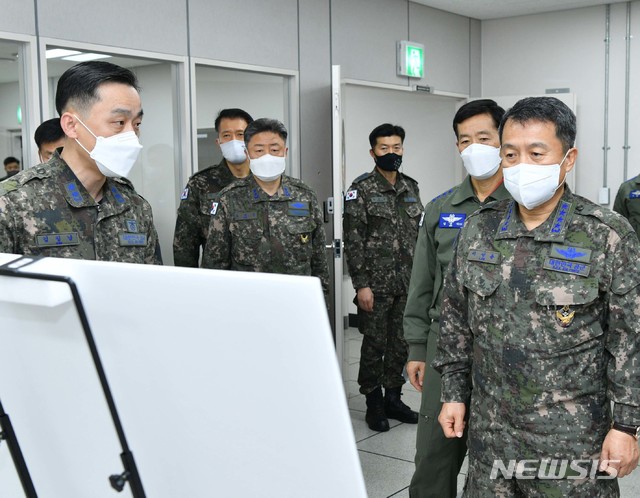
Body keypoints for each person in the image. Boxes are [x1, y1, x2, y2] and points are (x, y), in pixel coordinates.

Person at [434, 96, 640, 496]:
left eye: (536, 152)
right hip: (491, 432)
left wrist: (627, 426)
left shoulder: (606, 235)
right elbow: (456, 320)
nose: (521, 164)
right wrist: (454, 396)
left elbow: (631, 338)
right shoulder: (478, 229)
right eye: (510, 153)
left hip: (570, 441)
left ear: (569, 158)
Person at [404, 99, 510, 497]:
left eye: (484, 137)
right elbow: (423, 283)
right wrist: (417, 347)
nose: (474, 147)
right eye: (465, 140)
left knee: (500, 459)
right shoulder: (440, 209)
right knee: (435, 453)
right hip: (445, 345)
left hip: (507, 348)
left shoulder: (526, 205)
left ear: (504, 140)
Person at [0, 61, 162, 264]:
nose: (132, 135)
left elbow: (150, 286)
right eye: (119, 122)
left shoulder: (134, 206)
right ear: (71, 125)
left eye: (137, 124)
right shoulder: (12, 204)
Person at [343, 123, 423, 432]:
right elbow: (353, 240)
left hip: (407, 284)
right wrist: (361, 284)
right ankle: (373, 402)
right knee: (374, 344)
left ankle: (394, 397)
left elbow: (419, 237)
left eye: (397, 148)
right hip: (375, 286)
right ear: (373, 152)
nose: (392, 153)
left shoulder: (411, 187)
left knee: (401, 344)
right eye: (385, 148)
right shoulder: (360, 189)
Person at [201, 118, 330, 301]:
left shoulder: (305, 196)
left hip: (296, 301)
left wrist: (322, 303)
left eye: (275, 149)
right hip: (247, 303)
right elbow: (215, 263)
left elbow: (319, 261)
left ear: (285, 152)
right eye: (259, 150)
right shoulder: (229, 199)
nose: (267, 156)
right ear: (247, 153)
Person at [173, 108, 254, 267]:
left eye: (240, 134)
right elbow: (184, 245)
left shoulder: (266, 181)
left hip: (263, 282)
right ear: (219, 142)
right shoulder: (200, 184)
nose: (234, 140)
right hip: (217, 282)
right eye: (226, 135)